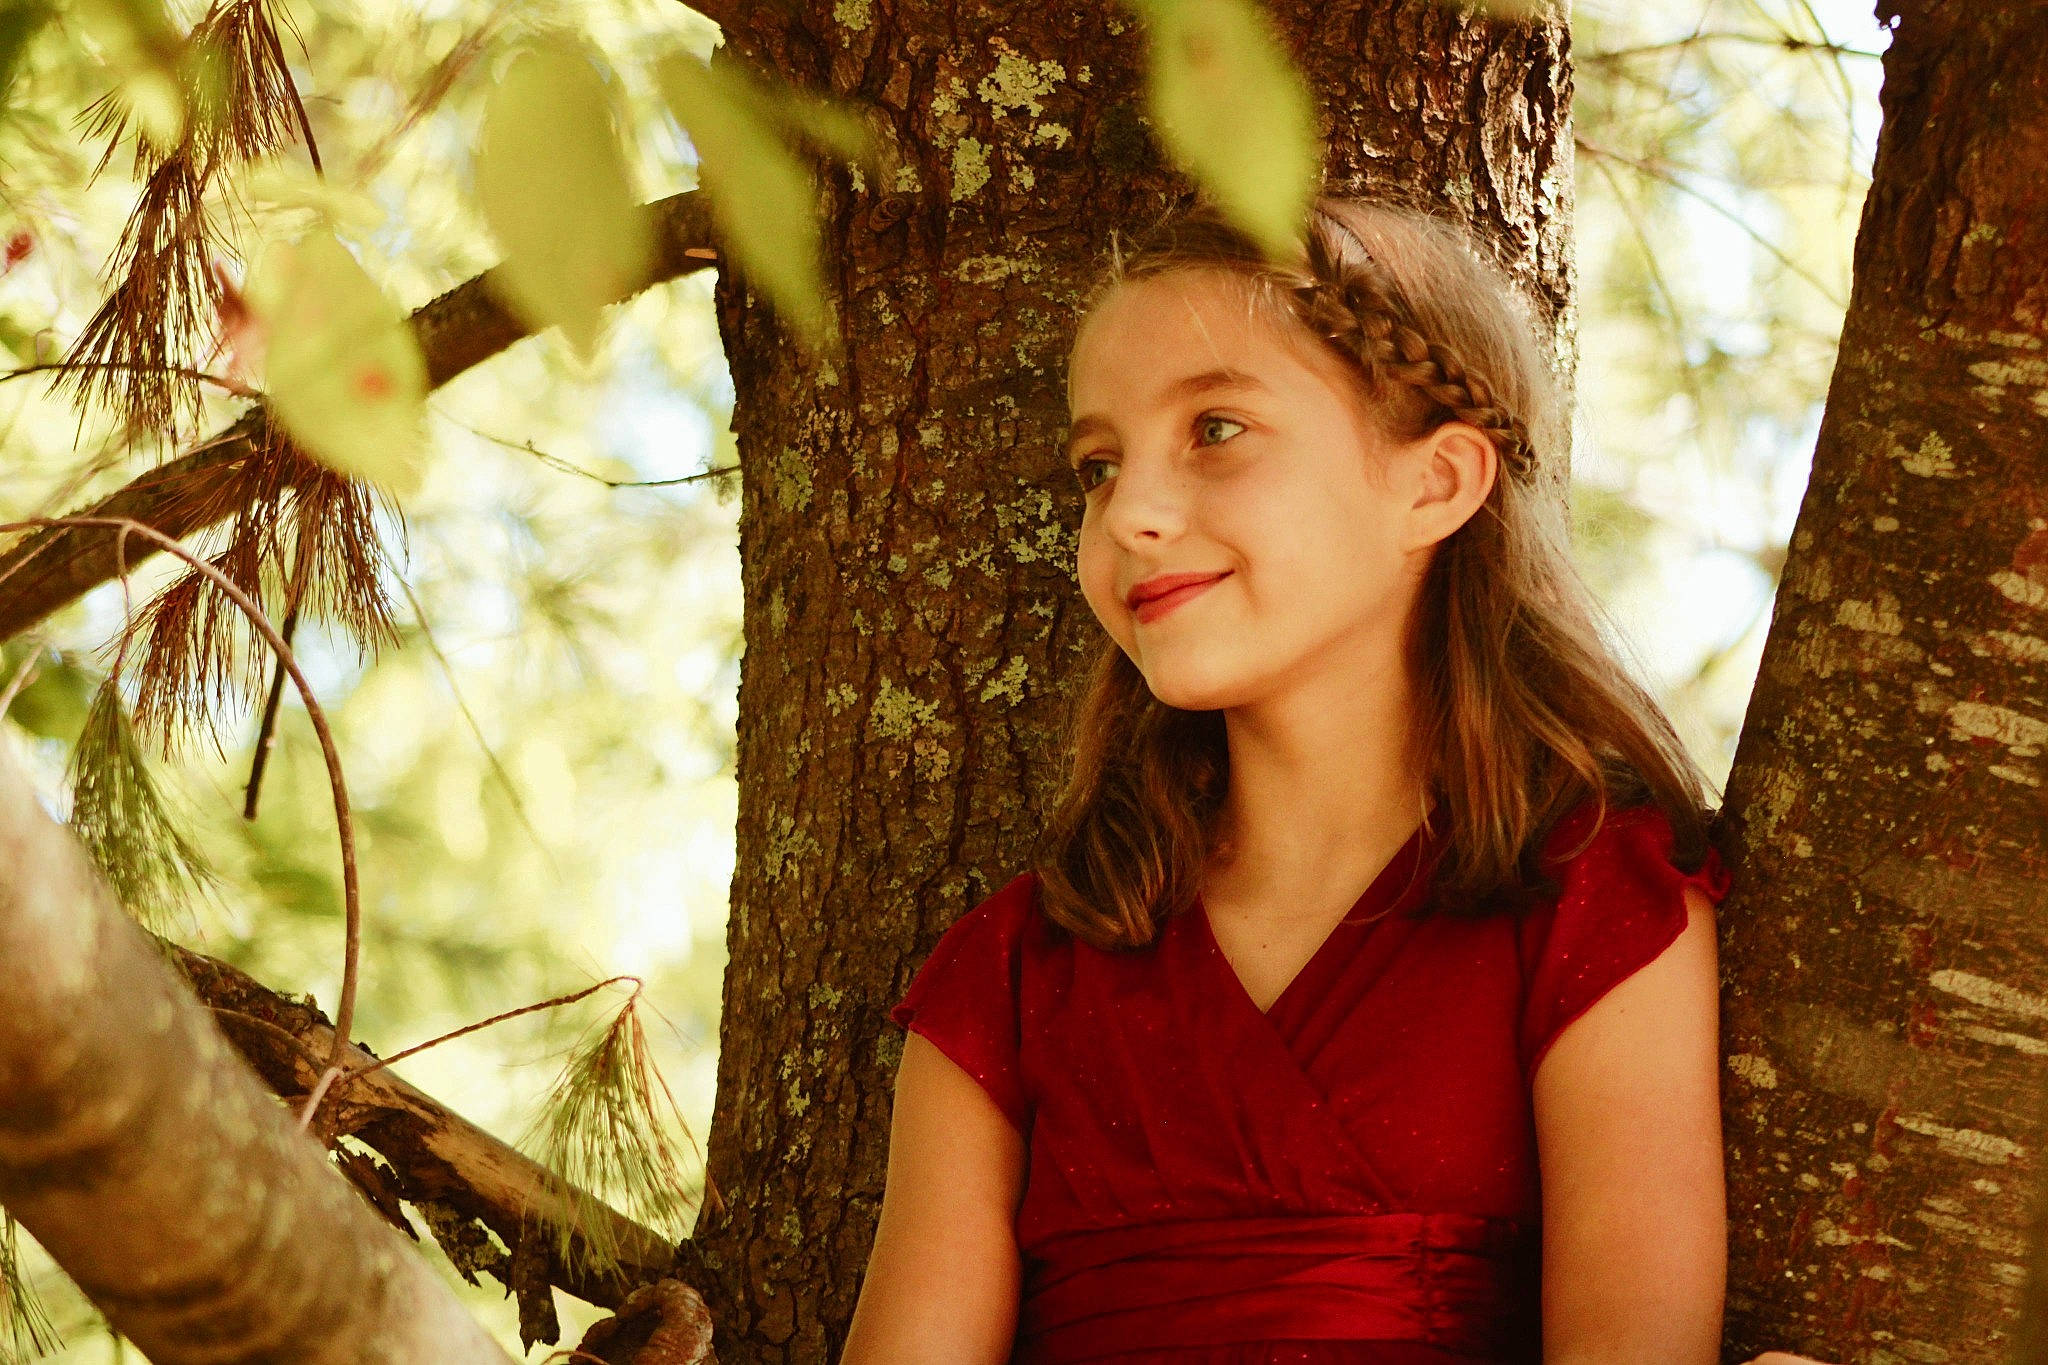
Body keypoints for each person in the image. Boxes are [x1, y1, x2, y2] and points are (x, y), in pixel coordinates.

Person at [841, 194, 1831, 1365]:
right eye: (1097, 467)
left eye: (1214, 429)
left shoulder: (1593, 904)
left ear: (1435, 484)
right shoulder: (1008, 974)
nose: (1132, 515)